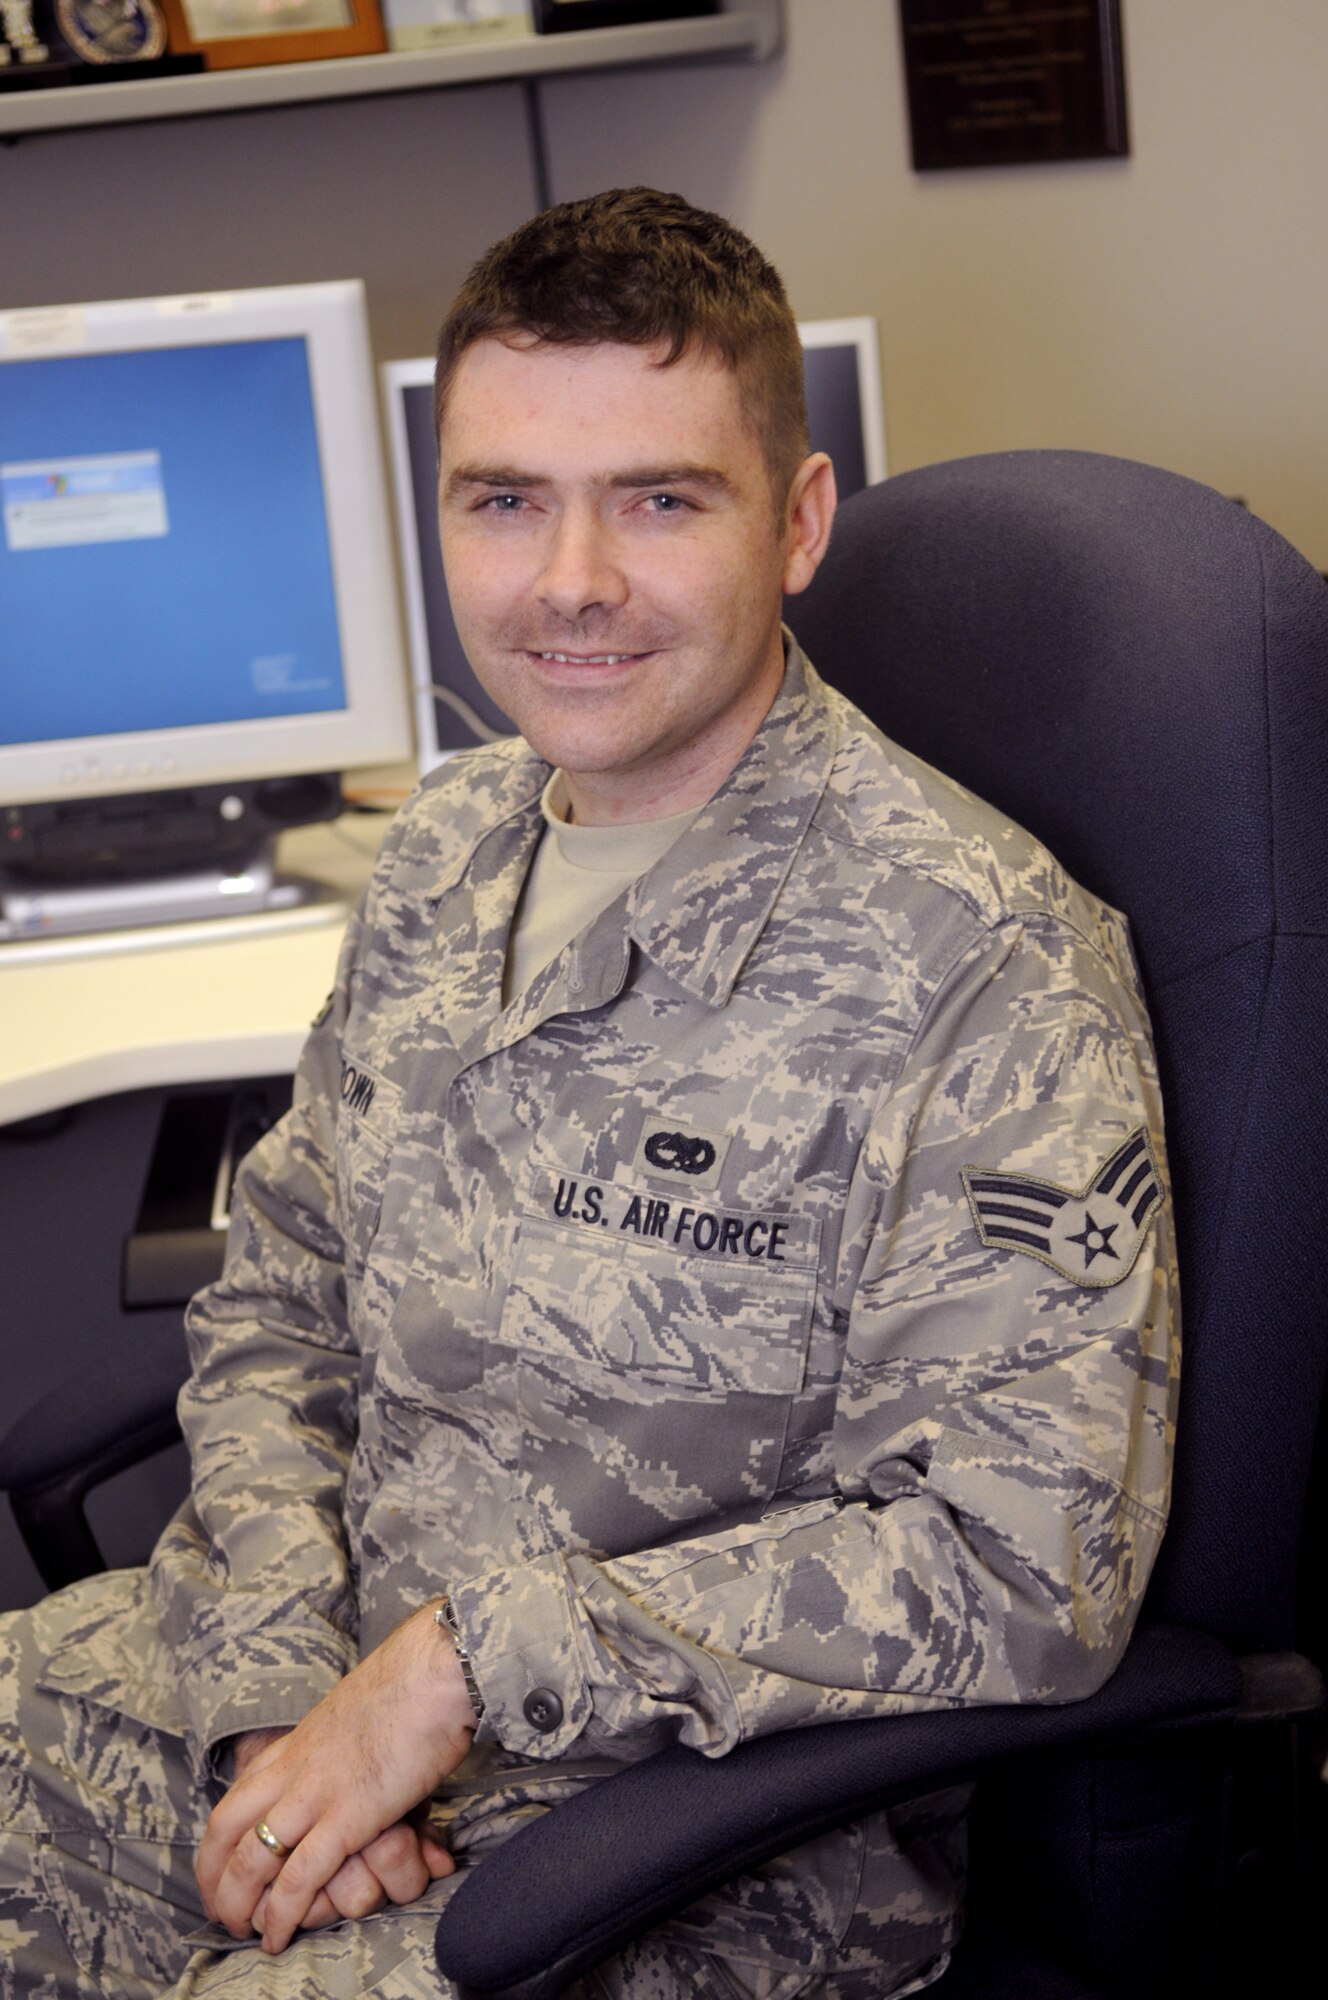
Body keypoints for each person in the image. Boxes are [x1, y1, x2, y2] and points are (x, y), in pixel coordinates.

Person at [0, 188, 1178, 2000]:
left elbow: (1027, 1566)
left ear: (795, 524)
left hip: (674, 1843)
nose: (570, 582)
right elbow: (279, 1301)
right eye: (504, 500)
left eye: (658, 498)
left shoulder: (987, 967)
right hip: (292, 1706)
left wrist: (456, 1672)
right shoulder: (449, 848)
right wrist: (270, 1704)